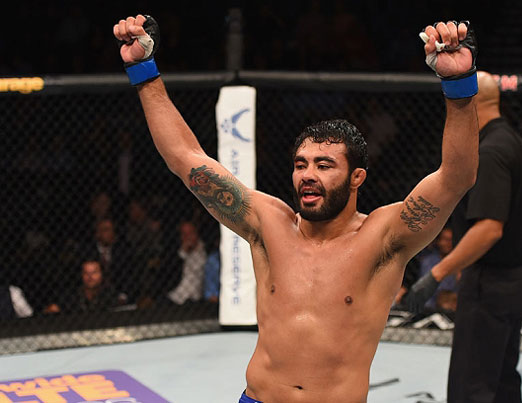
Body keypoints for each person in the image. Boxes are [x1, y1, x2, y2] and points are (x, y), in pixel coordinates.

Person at [114, 15, 479, 402]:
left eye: (324, 165)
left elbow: (456, 177)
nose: (308, 175)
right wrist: (143, 70)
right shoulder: (268, 223)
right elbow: (184, 158)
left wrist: (458, 86)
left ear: (356, 177)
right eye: (301, 164)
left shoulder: (383, 237)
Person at [406, 71, 522, 403]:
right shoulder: (515, 143)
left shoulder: (490, 151)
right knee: (503, 379)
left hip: (489, 283)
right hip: (514, 278)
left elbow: (490, 228)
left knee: (471, 387)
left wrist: (437, 273)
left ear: (473, 102)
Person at [166, 221, 207, 305]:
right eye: (184, 234)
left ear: (196, 233)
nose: (188, 237)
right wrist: (183, 253)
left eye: (190, 233)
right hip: (174, 298)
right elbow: (168, 274)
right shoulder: (175, 253)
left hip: (197, 300)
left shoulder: (206, 251)